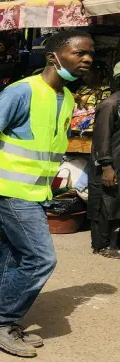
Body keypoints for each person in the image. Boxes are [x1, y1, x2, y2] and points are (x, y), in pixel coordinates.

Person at [0, 29, 94, 357]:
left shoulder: (67, 98)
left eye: (90, 54)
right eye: (79, 53)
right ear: (54, 56)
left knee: (13, 255)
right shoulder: (22, 91)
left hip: (33, 193)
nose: (87, 59)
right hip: (5, 191)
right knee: (41, 258)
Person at [88, 61, 120, 259]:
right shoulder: (110, 105)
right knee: (104, 204)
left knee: (116, 204)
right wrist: (107, 166)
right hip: (108, 164)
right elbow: (102, 138)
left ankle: (113, 243)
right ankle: (102, 245)